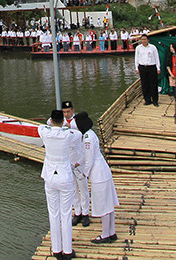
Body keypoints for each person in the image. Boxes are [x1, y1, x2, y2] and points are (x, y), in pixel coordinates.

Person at [38, 109, 82, 260]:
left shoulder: (44, 132)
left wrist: (53, 123)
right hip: (64, 176)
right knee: (66, 214)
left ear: (51, 120)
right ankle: (67, 250)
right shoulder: (67, 135)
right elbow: (78, 134)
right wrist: (65, 126)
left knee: (54, 214)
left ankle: (56, 249)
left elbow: (43, 126)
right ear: (63, 121)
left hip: (50, 176)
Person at [75, 112, 119, 245]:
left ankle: (105, 234)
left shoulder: (87, 138)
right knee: (109, 203)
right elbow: (88, 155)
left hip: (98, 174)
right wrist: (77, 163)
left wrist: (84, 174)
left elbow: (89, 160)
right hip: (104, 171)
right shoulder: (90, 134)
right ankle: (112, 232)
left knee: (102, 205)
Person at [134, 34, 160, 107]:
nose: (144, 41)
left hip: (151, 66)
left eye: (145, 39)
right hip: (142, 67)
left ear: (148, 40)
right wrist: (136, 68)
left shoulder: (152, 47)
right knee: (145, 84)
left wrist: (158, 68)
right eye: (142, 39)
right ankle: (147, 100)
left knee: (153, 84)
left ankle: (155, 100)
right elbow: (136, 58)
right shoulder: (138, 48)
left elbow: (156, 57)